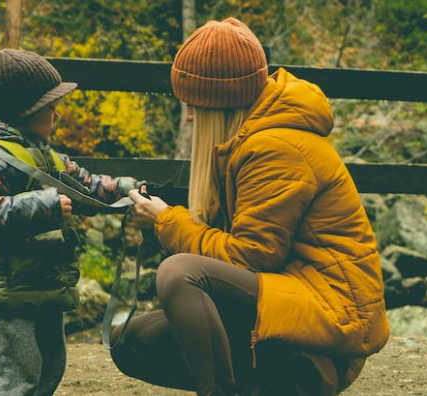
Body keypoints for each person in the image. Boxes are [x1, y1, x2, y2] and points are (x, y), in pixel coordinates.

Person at [110, 17, 389, 396]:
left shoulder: (276, 148)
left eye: (194, 104)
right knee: (132, 341)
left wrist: (167, 221)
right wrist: (167, 205)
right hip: (290, 300)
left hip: (325, 336)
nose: (189, 116)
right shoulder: (251, 141)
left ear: (222, 100)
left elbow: (249, 258)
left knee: (179, 273)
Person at [0, 48, 139, 396]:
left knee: (49, 366)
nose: (57, 115)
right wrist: (46, 205)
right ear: (26, 111)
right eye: (50, 107)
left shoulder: (44, 154)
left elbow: (87, 186)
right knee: (16, 376)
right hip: (4, 287)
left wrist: (127, 189)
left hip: (42, 280)